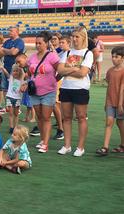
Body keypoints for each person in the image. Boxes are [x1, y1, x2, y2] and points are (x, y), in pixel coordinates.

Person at [57, 26, 94, 157]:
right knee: (66, 118)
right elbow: (60, 70)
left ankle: (80, 147)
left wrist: (69, 69)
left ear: (83, 38)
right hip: (66, 88)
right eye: (73, 36)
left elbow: (83, 73)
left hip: (80, 89)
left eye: (77, 36)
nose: (74, 39)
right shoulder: (67, 53)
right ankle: (67, 145)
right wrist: (75, 69)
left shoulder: (87, 53)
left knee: (81, 117)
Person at [27, 31, 60, 153]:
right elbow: (29, 72)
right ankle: (42, 139)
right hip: (35, 92)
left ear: (46, 43)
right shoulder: (32, 57)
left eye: (40, 43)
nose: (37, 45)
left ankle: (45, 144)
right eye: (36, 43)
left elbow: (60, 70)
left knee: (46, 118)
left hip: (48, 92)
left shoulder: (52, 56)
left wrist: (54, 81)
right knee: (39, 117)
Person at [95, 46, 124, 156]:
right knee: (109, 122)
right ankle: (105, 147)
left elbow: (122, 88)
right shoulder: (110, 71)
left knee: (120, 123)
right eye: (112, 56)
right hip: (111, 102)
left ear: (122, 58)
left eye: (117, 57)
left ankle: (122, 145)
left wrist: (120, 104)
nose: (113, 59)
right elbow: (109, 87)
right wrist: (106, 102)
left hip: (121, 102)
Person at [0, 27, 25, 98]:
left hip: (16, 69)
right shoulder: (7, 41)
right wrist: (9, 51)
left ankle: (16, 106)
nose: (9, 32)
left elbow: (14, 52)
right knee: (5, 87)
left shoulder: (20, 41)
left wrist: (4, 50)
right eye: (9, 31)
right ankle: (7, 105)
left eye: (11, 31)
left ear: (17, 32)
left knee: (15, 87)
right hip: (6, 67)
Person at [1, 64, 26, 134]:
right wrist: (2, 68)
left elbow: (23, 74)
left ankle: (16, 127)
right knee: (11, 113)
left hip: (17, 99)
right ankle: (11, 127)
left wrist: (20, 67)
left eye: (17, 71)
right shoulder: (11, 78)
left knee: (16, 114)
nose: (15, 72)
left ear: (20, 72)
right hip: (10, 97)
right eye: (14, 71)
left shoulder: (22, 80)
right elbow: (6, 73)